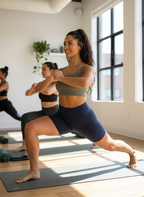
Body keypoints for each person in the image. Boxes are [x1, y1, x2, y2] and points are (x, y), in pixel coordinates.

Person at [16, 29, 137, 183]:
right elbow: (39, 89)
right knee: (30, 128)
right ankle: (34, 171)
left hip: (83, 118)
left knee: (111, 146)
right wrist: (50, 78)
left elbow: (85, 82)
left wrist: (62, 77)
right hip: (62, 116)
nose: (66, 47)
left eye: (70, 43)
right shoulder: (61, 71)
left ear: (80, 45)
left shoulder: (87, 68)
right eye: (64, 44)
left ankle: (131, 152)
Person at [14, 62, 59, 152]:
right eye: (42, 69)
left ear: (51, 71)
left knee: (73, 128)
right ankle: (25, 145)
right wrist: (32, 89)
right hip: (44, 112)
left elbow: (47, 92)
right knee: (25, 117)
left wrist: (37, 87)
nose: (42, 71)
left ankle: (93, 138)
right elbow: (27, 94)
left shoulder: (56, 83)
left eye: (44, 69)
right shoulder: (42, 84)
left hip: (54, 113)